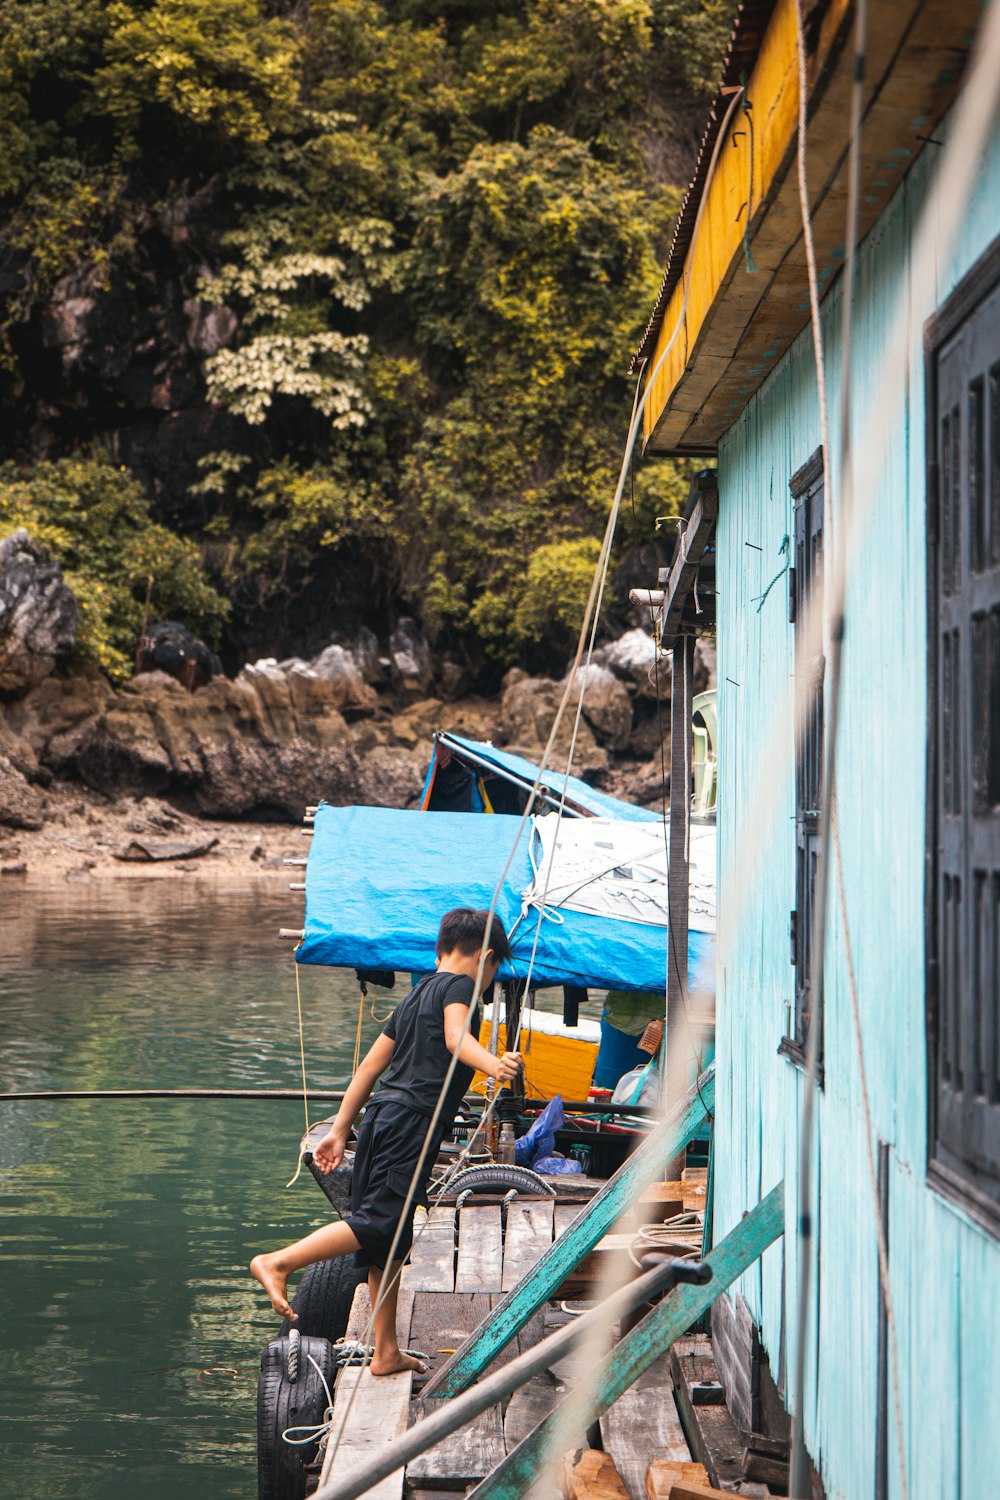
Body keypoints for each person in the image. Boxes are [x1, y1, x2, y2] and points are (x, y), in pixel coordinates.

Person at [250, 907, 522, 1376]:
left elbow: (369, 1068)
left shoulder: (415, 997)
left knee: (389, 1242)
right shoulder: (458, 988)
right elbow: (459, 1039)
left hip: (380, 1117)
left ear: (439, 949)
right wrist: (493, 1064)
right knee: (379, 1224)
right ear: (487, 958)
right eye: (494, 970)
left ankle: (386, 1350)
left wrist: (338, 1130)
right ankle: (279, 1261)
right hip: (409, 1123)